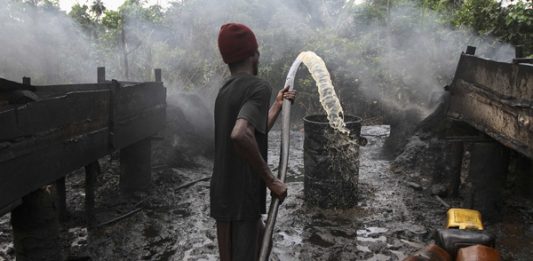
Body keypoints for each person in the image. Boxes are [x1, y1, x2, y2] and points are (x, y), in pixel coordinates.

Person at [210, 23, 296, 261]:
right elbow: (240, 134)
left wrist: (277, 105)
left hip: (224, 197)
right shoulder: (258, 87)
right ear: (253, 54)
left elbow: (253, 131)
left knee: (258, 250)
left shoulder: (225, 91)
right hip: (242, 199)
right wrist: (271, 181)